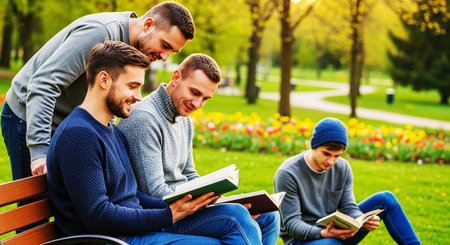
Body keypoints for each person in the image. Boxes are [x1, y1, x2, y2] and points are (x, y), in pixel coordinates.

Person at [47, 40, 265, 245]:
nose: (138, 96)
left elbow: (133, 196)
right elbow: (98, 215)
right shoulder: (78, 135)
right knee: (231, 228)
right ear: (104, 80)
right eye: (132, 86)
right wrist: (167, 214)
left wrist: (189, 206)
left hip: (132, 233)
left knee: (238, 216)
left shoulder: (111, 131)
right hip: (111, 239)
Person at [1, 1, 194, 182]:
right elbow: (43, 84)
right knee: (36, 209)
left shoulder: (134, 51)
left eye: (172, 52)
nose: (165, 57)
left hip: (68, 126)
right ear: (148, 25)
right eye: (165, 45)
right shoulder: (100, 32)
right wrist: (40, 151)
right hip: (28, 115)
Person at [117, 53, 280, 245]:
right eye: (194, 92)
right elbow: (155, 192)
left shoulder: (184, 119)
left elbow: (189, 174)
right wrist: (204, 202)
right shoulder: (145, 119)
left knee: (268, 216)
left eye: (205, 99)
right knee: (236, 217)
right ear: (176, 77)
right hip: (161, 214)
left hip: (187, 206)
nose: (197, 104)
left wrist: (217, 198)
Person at [273, 117, 421, 245]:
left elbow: (349, 207)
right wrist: (324, 233)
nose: (331, 161)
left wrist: (362, 219)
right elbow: (292, 225)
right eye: (326, 154)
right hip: (301, 240)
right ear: (314, 146)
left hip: (335, 231)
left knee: (386, 199)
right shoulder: (288, 173)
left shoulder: (342, 167)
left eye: (337, 156)